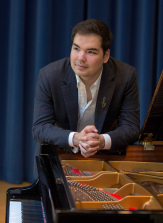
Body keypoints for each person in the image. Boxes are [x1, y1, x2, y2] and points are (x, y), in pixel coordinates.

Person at [32, 19, 140, 158]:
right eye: (76, 49)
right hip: (60, 155)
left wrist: (100, 141)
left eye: (91, 52)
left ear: (106, 56)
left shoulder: (125, 76)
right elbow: (40, 128)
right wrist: (77, 138)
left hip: (105, 158)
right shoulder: (50, 76)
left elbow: (131, 128)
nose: (80, 58)